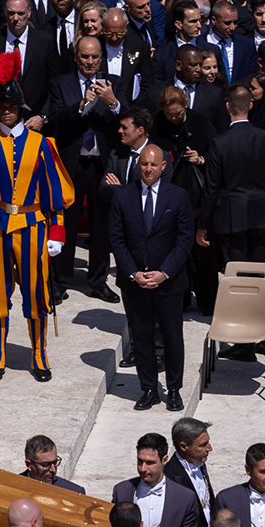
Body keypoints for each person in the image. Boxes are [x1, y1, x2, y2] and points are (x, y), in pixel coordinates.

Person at [0, 93, 75, 382]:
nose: (6, 112)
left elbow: (54, 193)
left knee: (36, 292)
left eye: (11, 107)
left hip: (32, 222)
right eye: (1, 108)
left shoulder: (43, 144)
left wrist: (57, 232)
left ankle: (39, 353)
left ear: (20, 109)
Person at [109, 142, 193, 411]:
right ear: (138, 165)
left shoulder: (178, 196)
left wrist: (164, 273)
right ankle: (148, 388)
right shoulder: (123, 196)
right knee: (142, 337)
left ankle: (174, 389)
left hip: (168, 282)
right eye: (144, 164)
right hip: (136, 283)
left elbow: (184, 240)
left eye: (153, 164)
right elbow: (117, 239)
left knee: (172, 337)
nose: (148, 169)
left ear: (163, 167)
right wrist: (134, 273)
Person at [197, 85, 265, 335]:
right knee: (260, 275)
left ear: (227, 107)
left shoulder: (220, 143)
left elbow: (211, 189)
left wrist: (202, 225)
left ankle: (243, 330)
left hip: (232, 218)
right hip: (261, 214)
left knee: (237, 275)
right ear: (251, 106)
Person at [111, 431, 207, 527]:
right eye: (139, 461)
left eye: (150, 463)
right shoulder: (122, 491)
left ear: (164, 460)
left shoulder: (184, 498)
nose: (143, 468)